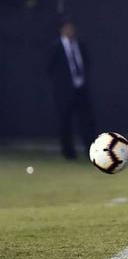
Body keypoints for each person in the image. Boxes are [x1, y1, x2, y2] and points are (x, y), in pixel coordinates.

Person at [47, 19, 96, 160]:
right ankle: (68, 152)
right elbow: (50, 68)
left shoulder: (80, 45)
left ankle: (90, 151)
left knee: (87, 120)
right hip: (64, 91)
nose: (71, 31)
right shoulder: (55, 47)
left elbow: (86, 62)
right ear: (62, 30)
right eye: (67, 28)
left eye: (72, 28)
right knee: (65, 121)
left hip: (81, 88)